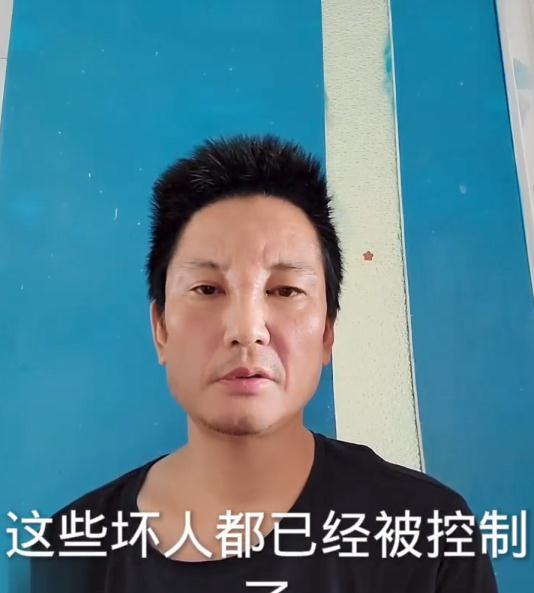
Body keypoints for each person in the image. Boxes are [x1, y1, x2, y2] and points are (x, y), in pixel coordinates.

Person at [30, 134, 499, 592]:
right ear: (161, 330)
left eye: (285, 290)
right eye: (207, 289)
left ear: (327, 332)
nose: (246, 328)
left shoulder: (427, 535)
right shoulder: (73, 548)